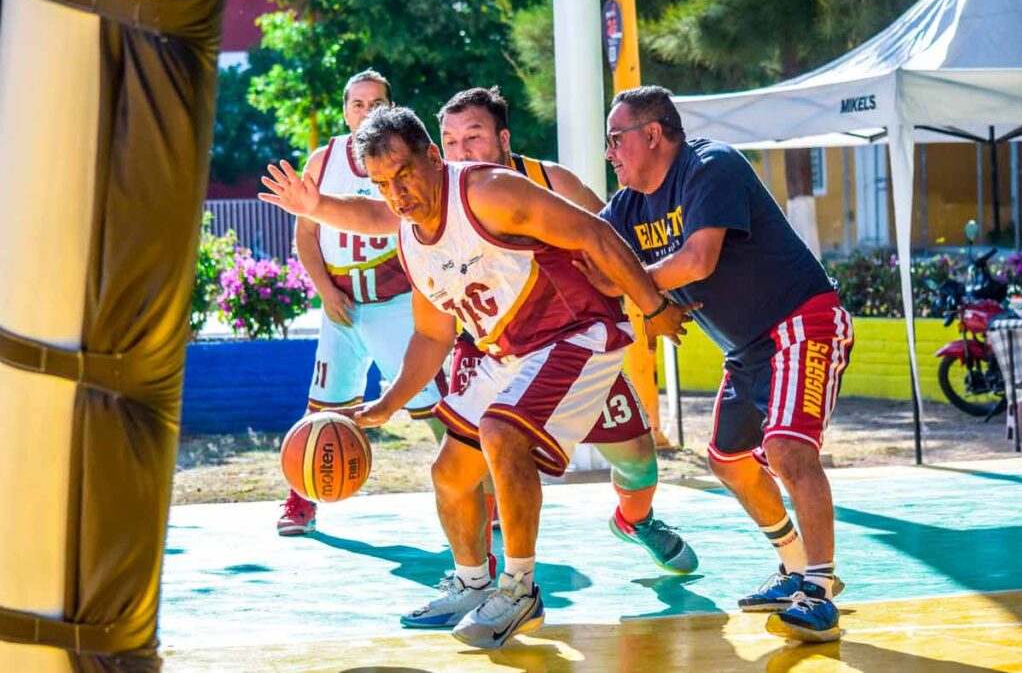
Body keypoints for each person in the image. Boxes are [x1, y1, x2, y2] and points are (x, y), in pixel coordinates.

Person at [258, 106, 694, 648]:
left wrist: (652, 305)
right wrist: (390, 403)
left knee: (506, 433)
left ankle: (520, 590)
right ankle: (472, 582)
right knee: (449, 472)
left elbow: (593, 231)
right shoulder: (413, 235)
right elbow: (432, 336)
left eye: (403, 174)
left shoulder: (487, 191)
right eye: (382, 184)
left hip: (576, 332)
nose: (396, 193)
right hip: (509, 351)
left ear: (433, 158)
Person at [578, 85, 854, 643]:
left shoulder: (711, 165)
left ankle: (819, 590)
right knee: (728, 460)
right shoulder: (629, 207)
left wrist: (641, 292)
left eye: (616, 139)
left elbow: (698, 259)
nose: (611, 152)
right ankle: (795, 566)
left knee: (787, 448)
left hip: (802, 321)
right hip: (748, 348)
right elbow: (591, 260)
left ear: (652, 134)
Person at [435, 85, 697, 578]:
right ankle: (483, 571)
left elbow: (614, 239)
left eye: (473, 137)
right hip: (494, 349)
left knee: (640, 464)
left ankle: (635, 519)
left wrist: (648, 297)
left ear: (504, 139)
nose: (461, 151)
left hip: (571, 342)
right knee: (478, 458)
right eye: (450, 141)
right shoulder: (439, 198)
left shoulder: (548, 180)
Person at [277, 70, 445, 537]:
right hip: (341, 305)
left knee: (435, 407)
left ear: (390, 108)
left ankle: (479, 493)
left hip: (395, 301)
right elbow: (305, 232)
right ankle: (301, 500)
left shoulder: (401, 160)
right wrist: (325, 291)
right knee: (322, 409)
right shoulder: (323, 158)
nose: (366, 112)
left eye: (376, 104)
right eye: (358, 104)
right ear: (345, 109)